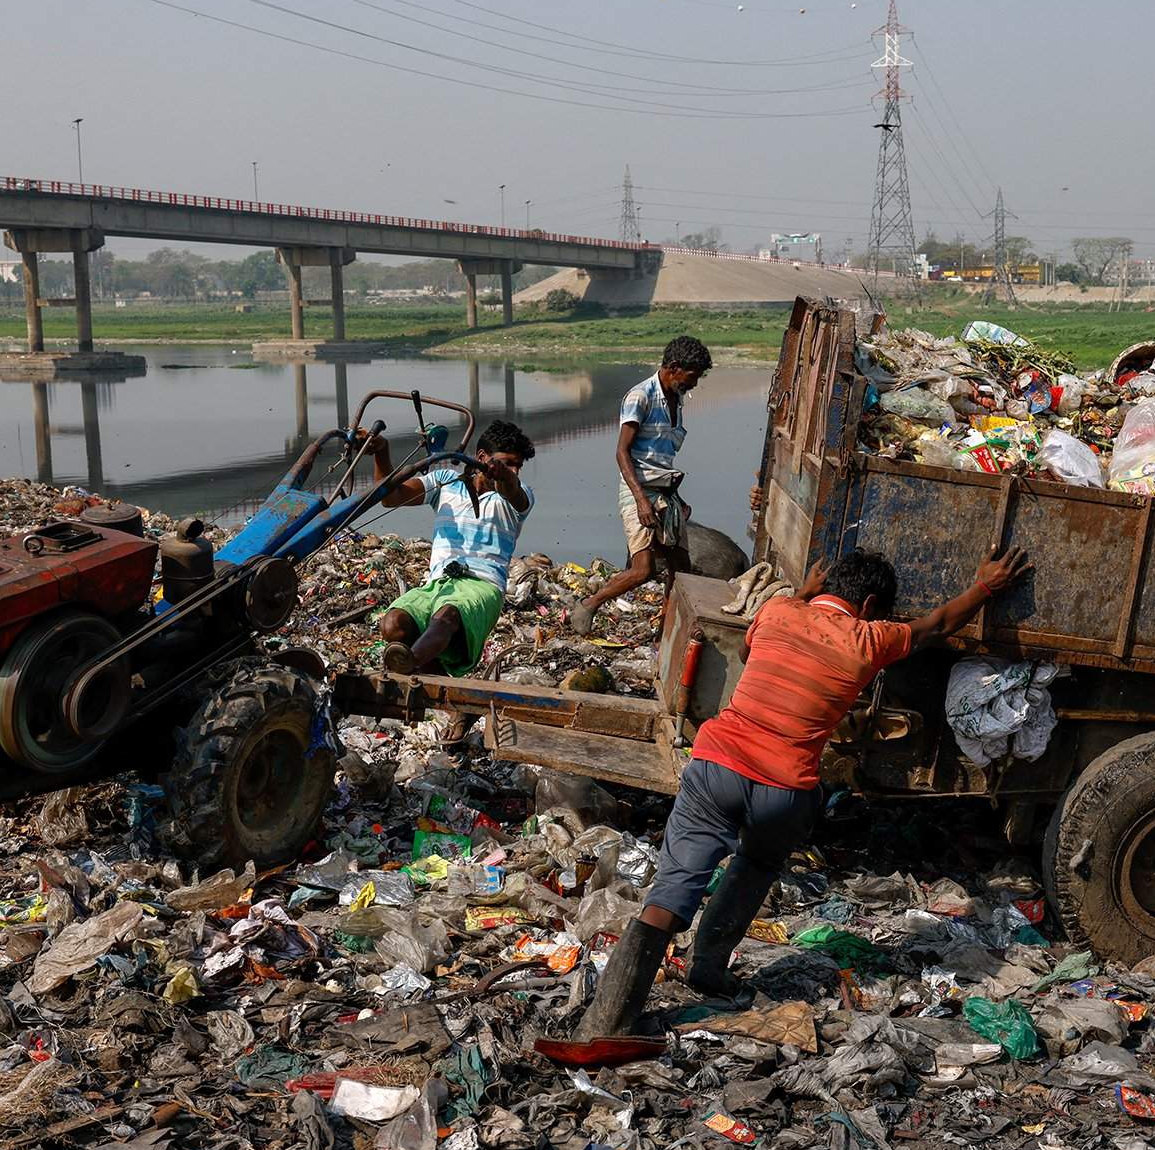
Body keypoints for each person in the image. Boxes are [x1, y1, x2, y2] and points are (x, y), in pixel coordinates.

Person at [575, 542, 1032, 1039]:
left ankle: (609, 1020)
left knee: (672, 888)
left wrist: (801, 593)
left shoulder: (778, 610)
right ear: (872, 606)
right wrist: (986, 585)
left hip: (718, 767)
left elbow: (749, 651)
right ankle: (708, 967)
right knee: (756, 866)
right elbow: (939, 624)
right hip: (785, 790)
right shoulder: (869, 639)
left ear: (827, 589)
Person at [568, 335, 712, 635]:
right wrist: (641, 501)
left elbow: (659, 459)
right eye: (692, 377)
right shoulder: (641, 397)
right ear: (674, 367)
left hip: (665, 491)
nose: (694, 384)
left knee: (682, 569)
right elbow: (622, 452)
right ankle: (589, 605)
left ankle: (667, 625)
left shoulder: (676, 399)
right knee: (643, 570)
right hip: (639, 490)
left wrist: (679, 499)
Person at [372, 419, 536, 676]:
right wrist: (381, 451)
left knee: (447, 615)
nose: (513, 471)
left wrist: (503, 474)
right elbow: (390, 497)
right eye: (507, 463)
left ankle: (408, 665)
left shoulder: (517, 496)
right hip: (439, 582)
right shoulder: (446, 481)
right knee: (393, 623)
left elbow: (512, 490)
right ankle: (431, 678)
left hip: (482, 586)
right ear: (482, 457)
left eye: (518, 466)